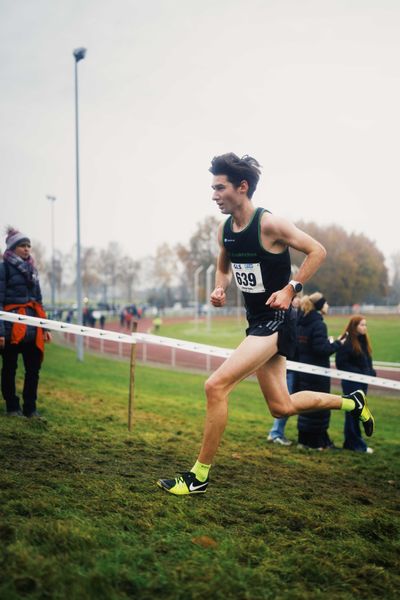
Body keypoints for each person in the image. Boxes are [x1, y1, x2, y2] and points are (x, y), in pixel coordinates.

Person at [157, 153, 374, 495]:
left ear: (242, 187)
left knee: (215, 386)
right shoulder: (225, 230)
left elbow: (317, 250)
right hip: (256, 321)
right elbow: (224, 267)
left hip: (276, 322)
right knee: (282, 406)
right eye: (212, 188)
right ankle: (353, 402)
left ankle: (199, 476)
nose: (213, 195)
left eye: (220, 187)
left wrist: (291, 288)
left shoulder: (270, 225)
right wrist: (219, 287)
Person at [0, 227, 51, 417]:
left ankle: (31, 408)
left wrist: (45, 327)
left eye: (29, 245)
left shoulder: (33, 271)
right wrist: (1, 331)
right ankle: (12, 406)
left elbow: (38, 301)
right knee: (9, 368)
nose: (27, 249)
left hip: (33, 329)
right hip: (11, 328)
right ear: (12, 248)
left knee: (33, 370)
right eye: (22, 245)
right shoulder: (3, 268)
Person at [296, 293, 344, 450]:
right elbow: (320, 350)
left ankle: (304, 441)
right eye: (326, 303)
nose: (328, 305)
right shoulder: (318, 324)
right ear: (320, 306)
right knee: (319, 406)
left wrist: (326, 342)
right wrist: (338, 343)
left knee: (306, 406)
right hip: (317, 374)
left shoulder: (301, 321)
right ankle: (319, 443)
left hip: (303, 371)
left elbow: (305, 346)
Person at [336, 316, 376, 453]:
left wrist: (371, 372)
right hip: (351, 383)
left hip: (363, 382)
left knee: (359, 413)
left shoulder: (363, 341)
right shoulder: (347, 342)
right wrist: (359, 373)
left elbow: (367, 361)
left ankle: (352, 443)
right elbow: (340, 363)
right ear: (354, 326)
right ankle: (355, 444)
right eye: (362, 325)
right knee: (353, 414)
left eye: (366, 324)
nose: (365, 327)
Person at [267, 294, 302, 445]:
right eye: (296, 298)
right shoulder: (288, 316)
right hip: (287, 366)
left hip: (290, 365)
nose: (299, 300)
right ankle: (276, 433)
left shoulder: (295, 315)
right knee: (284, 403)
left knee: (284, 403)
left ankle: (276, 432)